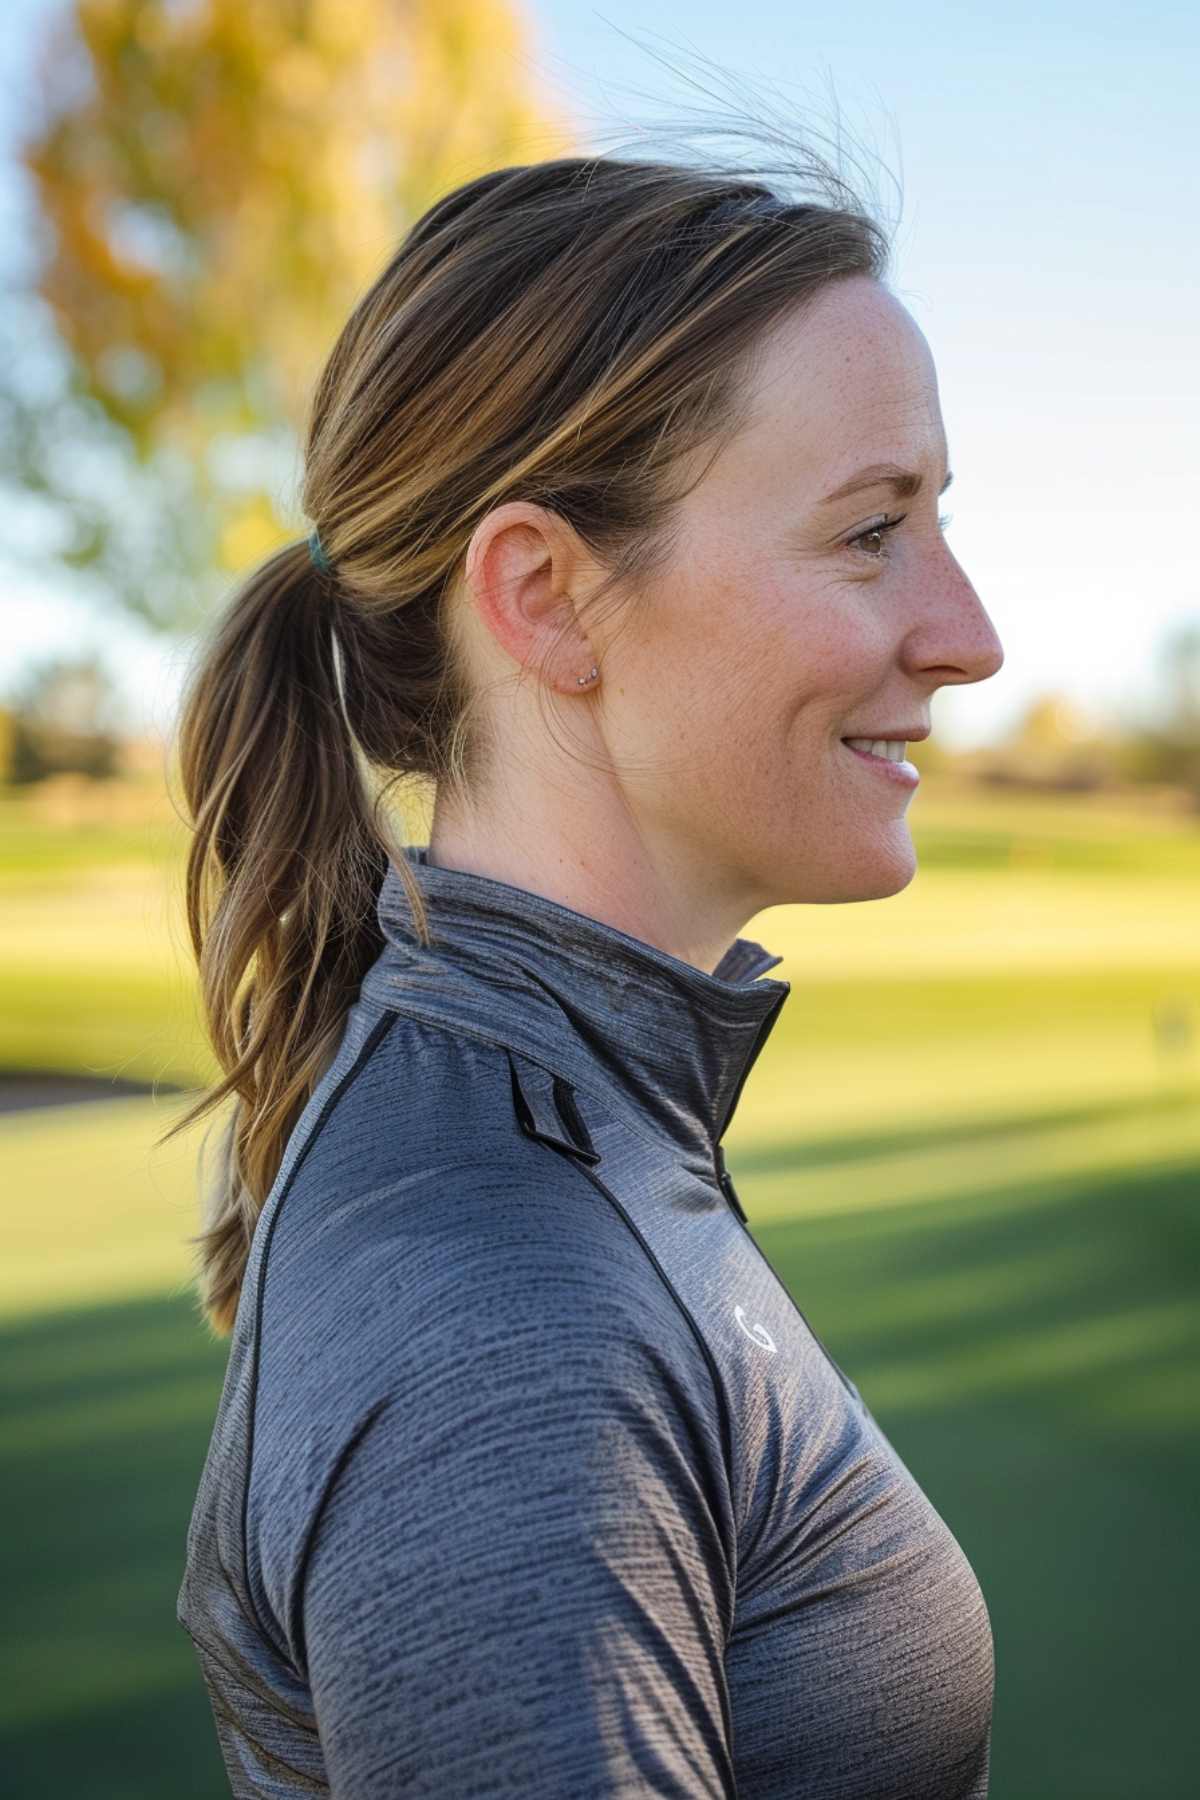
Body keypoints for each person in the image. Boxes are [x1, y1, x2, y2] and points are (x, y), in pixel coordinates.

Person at [167, 139, 1004, 1799]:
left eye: (937, 523)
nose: (969, 632)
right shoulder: (511, 1329)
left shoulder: (567, 1121)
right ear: (547, 598)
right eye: (869, 533)